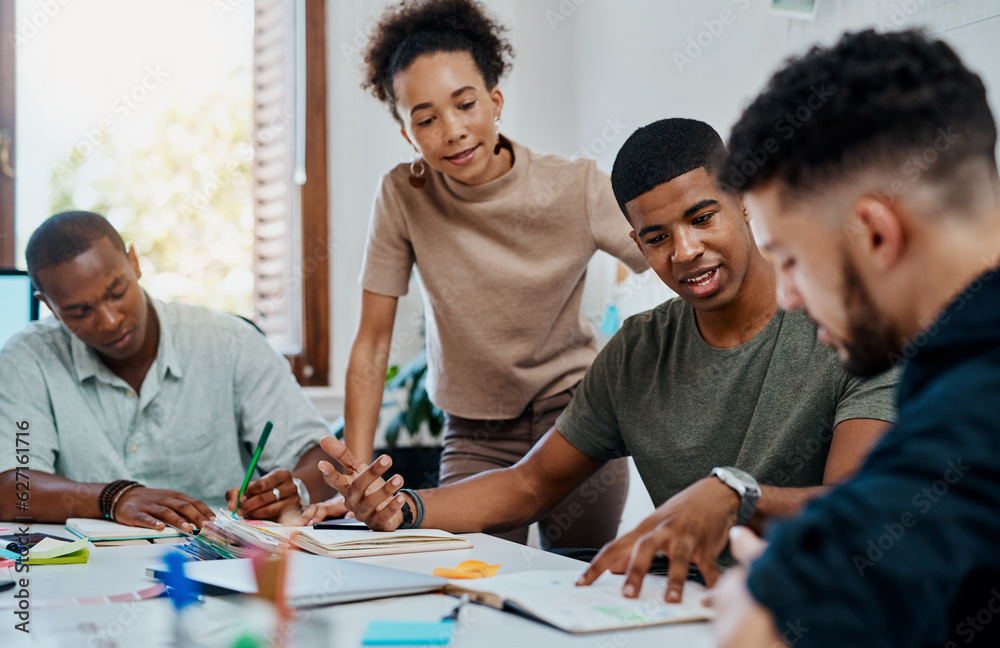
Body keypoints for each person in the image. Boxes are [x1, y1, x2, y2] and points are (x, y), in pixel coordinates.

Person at [315, 117, 898, 603]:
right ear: (636, 242)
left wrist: (738, 495)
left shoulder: (849, 330)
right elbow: (528, 485)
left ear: (743, 201)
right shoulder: (638, 352)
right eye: (657, 237)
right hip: (674, 612)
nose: (686, 251)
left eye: (701, 217)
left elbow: (859, 508)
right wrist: (403, 507)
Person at [298, 0, 648, 549]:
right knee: (469, 577)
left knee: (580, 580)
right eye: (426, 119)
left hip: (575, 419)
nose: (453, 131)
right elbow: (372, 342)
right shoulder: (402, 195)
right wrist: (359, 476)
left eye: (465, 105)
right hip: (475, 429)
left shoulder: (574, 187)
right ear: (407, 134)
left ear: (495, 100)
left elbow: (666, 257)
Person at [710, 29, 1000, 648]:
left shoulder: (974, 399)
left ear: (873, 234)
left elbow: (761, 632)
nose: (787, 295)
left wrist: (763, 590)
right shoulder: (951, 373)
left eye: (788, 259)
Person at [0, 211, 332, 530]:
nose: (110, 320)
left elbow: (322, 459)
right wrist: (113, 498)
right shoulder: (26, 360)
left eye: (117, 292)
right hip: (90, 571)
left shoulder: (231, 343)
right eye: (80, 311)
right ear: (49, 307)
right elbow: (9, 488)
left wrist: (296, 490)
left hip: (223, 564)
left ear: (134, 263)